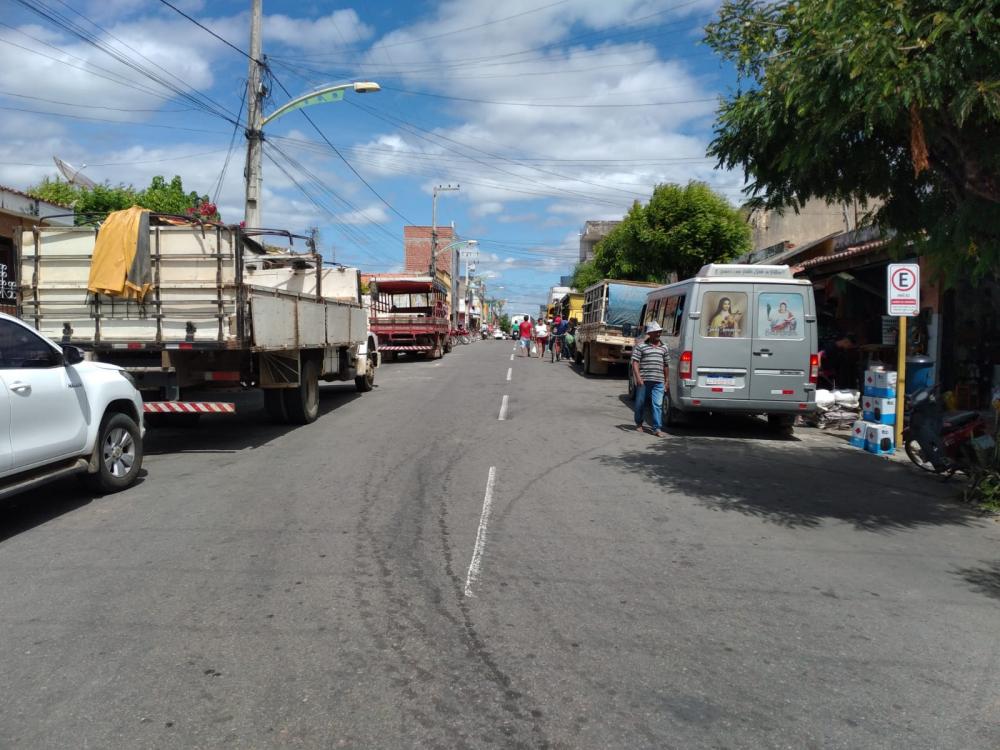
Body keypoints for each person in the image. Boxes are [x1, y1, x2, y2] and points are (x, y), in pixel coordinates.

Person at [631, 321, 670, 437]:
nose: (658, 333)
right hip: (643, 381)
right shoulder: (641, 346)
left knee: (657, 405)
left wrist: (667, 381)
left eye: (659, 331)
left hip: (658, 381)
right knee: (640, 403)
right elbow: (635, 363)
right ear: (650, 333)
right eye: (656, 332)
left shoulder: (664, 348)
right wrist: (638, 378)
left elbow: (666, 365)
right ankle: (639, 423)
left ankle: (657, 428)